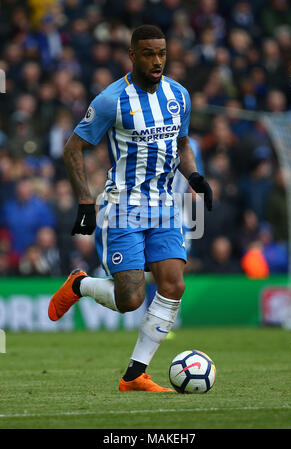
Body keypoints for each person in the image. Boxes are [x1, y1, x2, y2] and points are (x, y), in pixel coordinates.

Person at [48, 25, 212, 392]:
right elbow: (73, 148)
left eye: (162, 53)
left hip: (165, 206)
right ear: (132, 55)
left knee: (173, 284)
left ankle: (135, 374)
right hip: (123, 208)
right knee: (131, 299)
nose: (157, 61)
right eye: (149, 54)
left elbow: (182, 144)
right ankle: (81, 284)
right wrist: (85, 201)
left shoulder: (178, 95)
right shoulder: (111, 100)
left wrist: (196, 177)